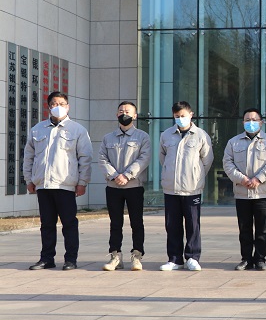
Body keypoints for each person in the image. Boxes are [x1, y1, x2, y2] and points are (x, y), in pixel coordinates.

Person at [23, 91, 92, 270]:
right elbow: (28, 156)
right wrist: (29, 179)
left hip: (65, 185)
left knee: (69, 224)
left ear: (68, 107)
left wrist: (82, 182)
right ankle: (47, 258)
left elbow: (85, 158)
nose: (58, 107)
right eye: (54, 103)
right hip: (43, 184)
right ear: (49, 107)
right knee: (46, 224)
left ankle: (71, 259)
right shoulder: (37, 129)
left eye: (62, 103)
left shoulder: (77, 130)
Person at [223, 108, 266, 270]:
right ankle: (246, 259)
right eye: (247, 120)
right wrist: (241, 179)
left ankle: (260, 258)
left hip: (263, 193)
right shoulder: (233, 142)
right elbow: (227, 163)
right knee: (244, 229)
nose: (251, 122)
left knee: (262, 229)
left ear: (261, 122)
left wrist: (258, 179)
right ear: (243, 122)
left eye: (254, 120)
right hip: (242, 193)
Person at [158, 101, 213, 271]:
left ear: (191, 115)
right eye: (177, 116)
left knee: (193, 225)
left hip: (192, 188)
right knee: (172, 225)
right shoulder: (166, 135)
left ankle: (192, 257)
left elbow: (207, 160)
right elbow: (163, 158)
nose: (180, 118)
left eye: (183, 115)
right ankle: (175, 259)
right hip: (171, 188)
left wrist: (195, 175)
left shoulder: (201, 135)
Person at [98, 101, 152, 271]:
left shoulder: (143, 137)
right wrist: (115, 176)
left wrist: (127, 175)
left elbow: (144, 158)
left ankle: (137, 255)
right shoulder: (108, 138)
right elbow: (102, 158)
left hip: (134, 186)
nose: (124, 114)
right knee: (115, 223)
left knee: (137, 222)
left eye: (128, 111)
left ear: (135, 116)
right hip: (113, 187)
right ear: (117, 115)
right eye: (121, 111)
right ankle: (115, 256)